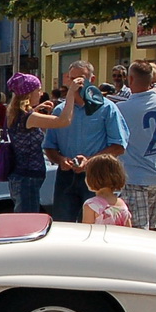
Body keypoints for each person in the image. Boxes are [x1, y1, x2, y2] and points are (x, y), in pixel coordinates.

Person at [43, 60, 129, 223]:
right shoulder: (60, 111)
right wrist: (60, 160)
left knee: (95, 226)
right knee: (63, 225)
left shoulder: (107, 108)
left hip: (98, 176)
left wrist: (90, 161)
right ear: (67, 80)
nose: (76, 84)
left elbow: (119, 146)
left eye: (81, 79)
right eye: (72, 79)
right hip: (67, 177)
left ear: (92, 79)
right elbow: (49, 146)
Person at [0, 72, 78, 216]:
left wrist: (37, 109)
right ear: (29, 94)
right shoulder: (29, 117)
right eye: (38, 90)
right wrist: (71, 93)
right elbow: (63, 121)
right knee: (27, 223)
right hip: (27, 178)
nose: (41, 93)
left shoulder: (16, 113)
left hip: (21, 176)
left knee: (24, 218)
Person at [117, 60, 156, 229]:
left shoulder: (122, 108)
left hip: (135, 176)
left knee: (137, 231)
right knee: (152, 230)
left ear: (131, 79)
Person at [81, 153, 132, 226]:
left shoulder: (90, 205)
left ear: (93, 178)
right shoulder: (122, 204)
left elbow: (87, 230)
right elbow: (129, 231)